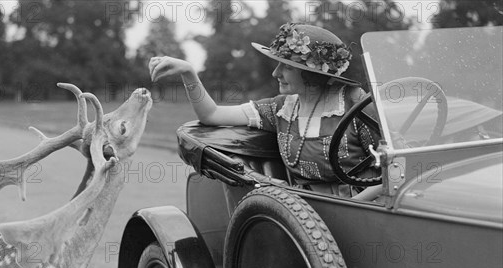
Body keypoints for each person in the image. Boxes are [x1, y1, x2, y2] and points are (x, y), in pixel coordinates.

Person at [149, 23, 380, 197]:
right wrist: (188, 73)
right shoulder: (280, 108)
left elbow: (394, 166)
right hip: (304, 215)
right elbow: (211, 115)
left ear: (312, 72)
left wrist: (358, 204)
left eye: (286, 67)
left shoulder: (356, 104)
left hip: (364, 208)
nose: (276, 73)